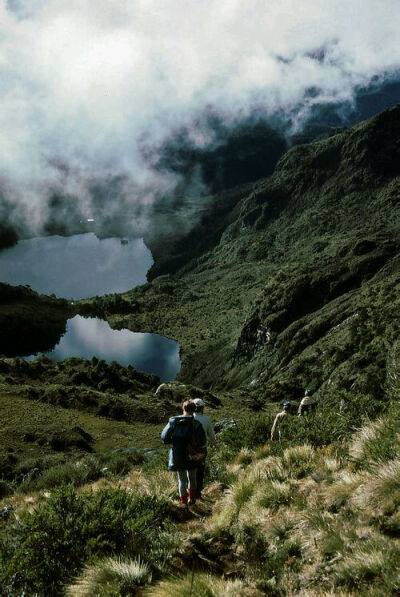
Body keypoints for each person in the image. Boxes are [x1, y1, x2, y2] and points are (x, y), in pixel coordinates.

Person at [161, 400, 206, 507]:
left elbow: (164, 438)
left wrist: (175, 442)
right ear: (194, 410)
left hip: (178, 454)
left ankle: (183, 503)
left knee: (181, 480)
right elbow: (202, 442)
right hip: (192, 455)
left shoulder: (173, 422)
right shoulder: (196, 424)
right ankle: (192, 499)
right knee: (192, 477)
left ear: (183, 409)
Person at [193, 397, 216, 499]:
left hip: (188, 450)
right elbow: (211, 435)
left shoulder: (188, 419)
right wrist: (214, 444)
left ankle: (189, 494)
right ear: (202, 408)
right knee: (200, 471)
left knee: (190, 471)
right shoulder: (207, 419)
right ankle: (198, 493)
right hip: (201, 450)